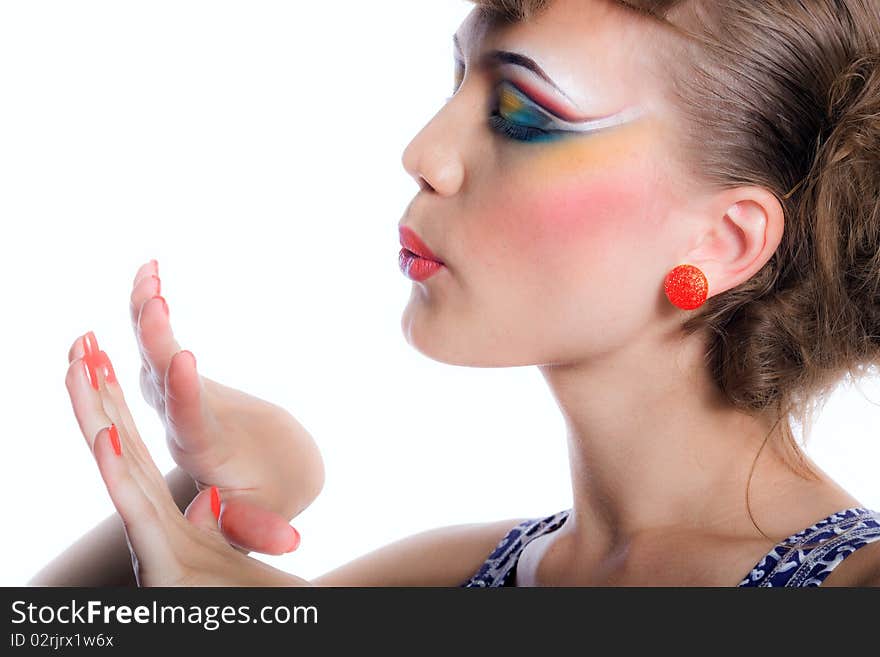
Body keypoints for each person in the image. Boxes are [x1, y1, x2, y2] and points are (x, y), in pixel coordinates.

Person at [29, 0, 880, 587]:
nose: (425, 151)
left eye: (521, 111)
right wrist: (209, 494)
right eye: (458, 83)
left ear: (722, 241)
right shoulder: (458, 572)